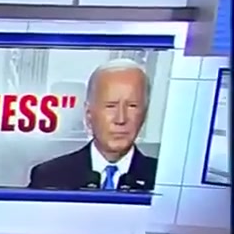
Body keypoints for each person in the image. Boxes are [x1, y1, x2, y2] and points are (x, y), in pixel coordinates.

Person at [27, 58, 158, 191]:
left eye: (132, 106)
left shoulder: (162, 179)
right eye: (110, 106)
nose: (121, 119)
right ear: (88, 113)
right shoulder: (49, 177)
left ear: (144, 113)